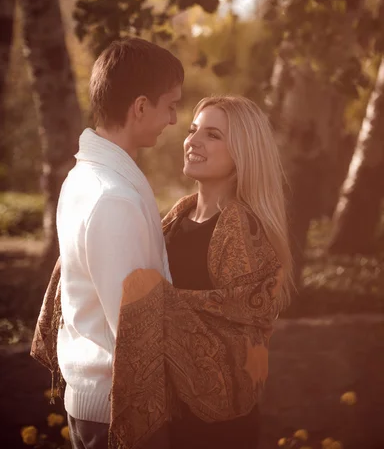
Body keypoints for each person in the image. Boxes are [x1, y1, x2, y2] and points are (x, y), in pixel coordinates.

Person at [107, 95, 293, 449]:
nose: (192, 141)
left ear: (243, 152)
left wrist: (151, 301)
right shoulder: (178, 217)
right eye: (192, 131)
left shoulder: (242, 228)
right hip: (170, 412)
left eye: (213, 135)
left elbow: (238, 322)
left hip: (215, 424)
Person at [32, 37, 183, 449]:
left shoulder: (89, 177)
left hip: (101, 400)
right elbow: (133, 329)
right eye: (170, 105)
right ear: (139, 107)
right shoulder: (111, 195)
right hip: (120, 406)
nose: (173, 119)